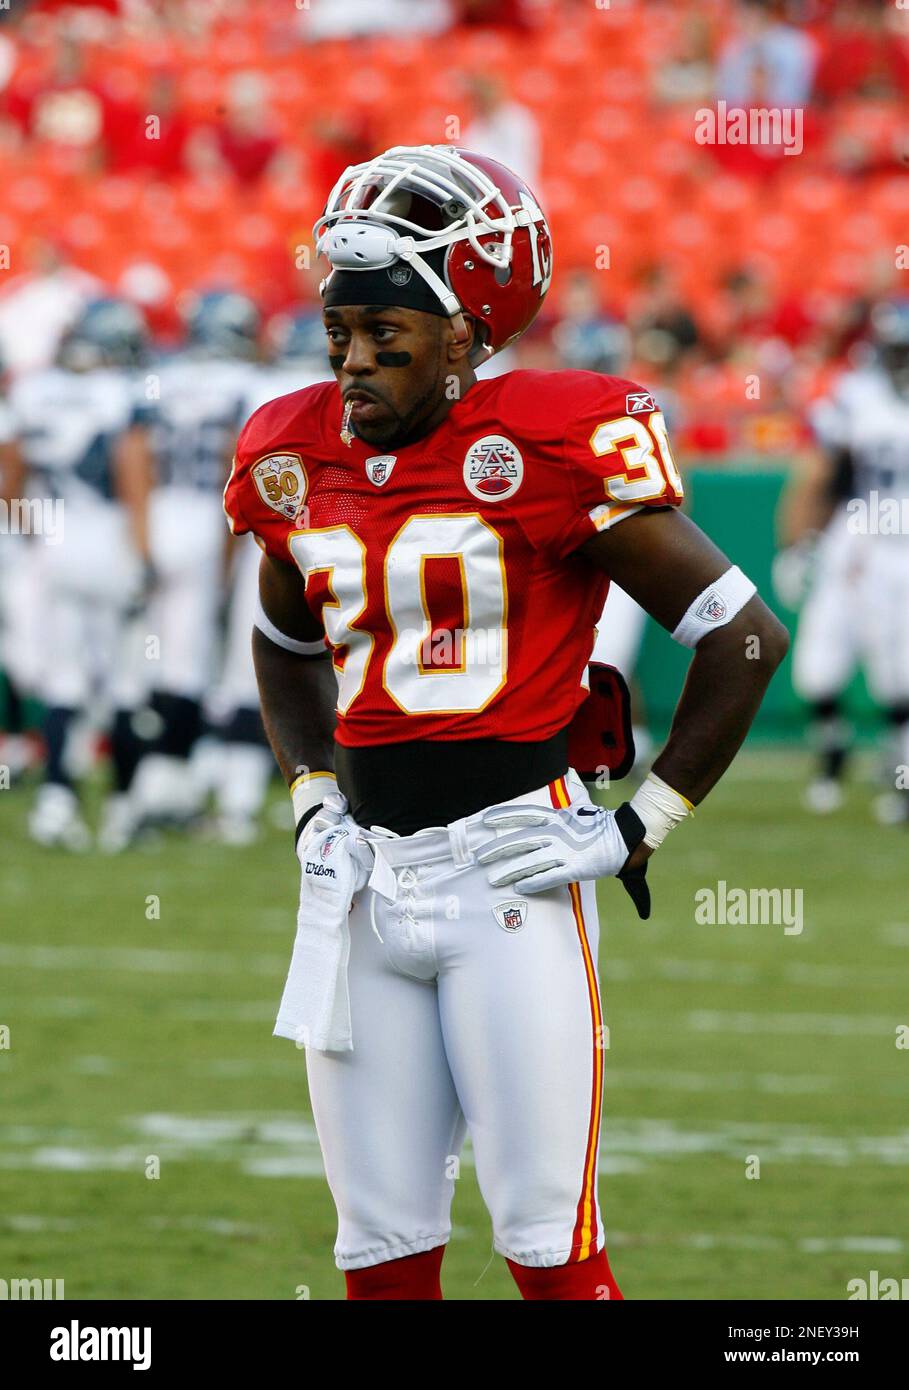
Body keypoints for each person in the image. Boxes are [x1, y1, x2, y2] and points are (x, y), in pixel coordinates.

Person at [224, 145, 788, 1301]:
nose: (354, 359)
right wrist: (309, 791)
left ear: (467, 335)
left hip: (514, 876)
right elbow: (284, 648)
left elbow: (743, 634)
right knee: (379, 1255)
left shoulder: (552, 436)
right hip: (362, 882)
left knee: (548, 1249)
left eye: (388, 332)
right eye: (340, 329)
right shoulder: (291, 449)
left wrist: (642, 826)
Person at [8, 298, 154, 850]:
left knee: (62, 679)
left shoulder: (35, 389)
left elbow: (12, 478)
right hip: (106, 541)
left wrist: (32, 533)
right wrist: (143, 555)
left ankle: (56, 800)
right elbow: (133, 473)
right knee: (123, 681)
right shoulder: (121, 393)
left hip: (51, 543)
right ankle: (122, 807)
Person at [778, 296, 909, 821]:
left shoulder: (859, 395)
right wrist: (800, 545)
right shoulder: (855, 395)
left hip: (895, 547)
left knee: (896, 674)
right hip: (857, 540)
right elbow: (818, 473)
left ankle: (899, 775)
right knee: (822, 661)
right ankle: (835, 760)